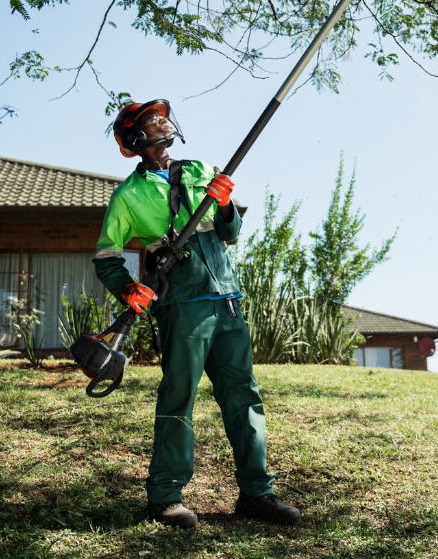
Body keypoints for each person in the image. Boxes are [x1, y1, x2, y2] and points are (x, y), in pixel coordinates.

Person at [92, 99, 300, 529]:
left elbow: (230, 233)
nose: (161, 129)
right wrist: (128, 289)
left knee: (244, 397)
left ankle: (257, 494)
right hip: (181, 308)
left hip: (227, 301)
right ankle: (165, 498)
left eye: (163, 123)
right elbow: (107, 257)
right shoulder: (128, 197)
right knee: (178, 400)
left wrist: (224, 205)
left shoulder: (199, 170)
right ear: (134, 141)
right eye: (151, 126)